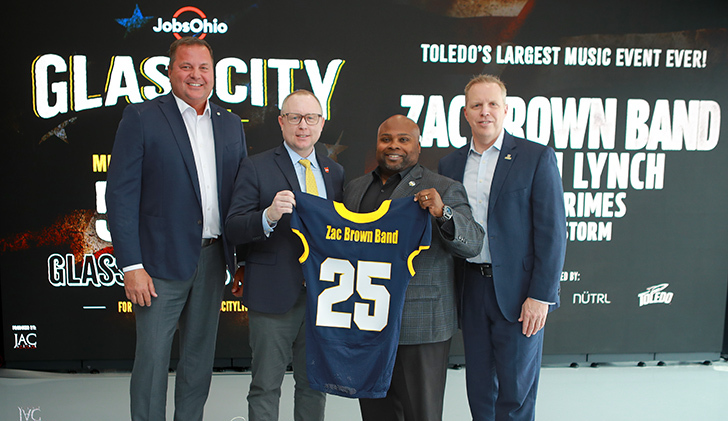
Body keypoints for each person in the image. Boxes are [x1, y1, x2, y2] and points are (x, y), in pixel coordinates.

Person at [106, 36, 247, 421]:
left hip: (214, 258)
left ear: (214, 73)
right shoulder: (141, 117)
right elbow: (120, 196)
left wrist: (240, 259)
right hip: (157, 266)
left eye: (203, 67)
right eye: (186, 67)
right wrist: (131, 265)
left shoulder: (231, 124)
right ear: (170, 72)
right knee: (151, 361)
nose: (195, 75)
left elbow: (240, 196)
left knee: (199, 362)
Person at [438, 74, 567, 421]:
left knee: (516, 394)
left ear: (506, 110)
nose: (485, 112)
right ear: (465, 113)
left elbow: (553, 233)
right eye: (477, 105)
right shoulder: (449, 166)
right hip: (471, 288)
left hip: (519, 293)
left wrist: (541, 296)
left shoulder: (535, 157)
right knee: (479, 389)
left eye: (492, 104)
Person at [343, 114, 484, 421]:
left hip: (421, 325)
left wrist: (443, 213)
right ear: (377, 144)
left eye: (403, 139)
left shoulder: (443, 187)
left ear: (418, 146)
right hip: (368, 322)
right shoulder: (354, 189)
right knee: (375, 414)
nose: (394, 146)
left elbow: (473, 243)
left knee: (422, 415)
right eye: (386, 139)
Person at [225, 89, 345, 421]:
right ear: (281, 122)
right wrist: (268, 215)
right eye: (294, 117)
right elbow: (233, 227)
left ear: (322, 123)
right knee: (266, 385)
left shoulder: (334, 173)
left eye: (310, 118)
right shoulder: (255, 166)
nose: (302, 126)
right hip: (273, 293)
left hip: (323, 296)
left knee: (314, 385)